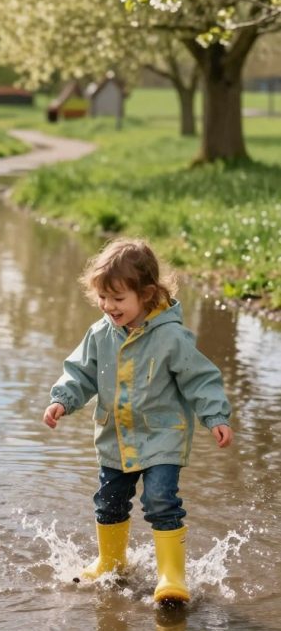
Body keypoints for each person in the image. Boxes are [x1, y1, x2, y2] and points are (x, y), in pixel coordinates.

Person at [43, 237, 233, 603]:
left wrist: (215, 416)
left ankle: (172, 576)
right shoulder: (101, 334)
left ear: (146, 294)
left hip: (163, 438)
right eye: (103, 298)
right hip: (116, 437)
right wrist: (62, 401)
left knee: (161, 500)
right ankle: (111, 563)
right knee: (109, 501)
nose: (108, 307)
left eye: (118, 299)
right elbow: (80, 373)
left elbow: (200, 379)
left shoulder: (171, 337)